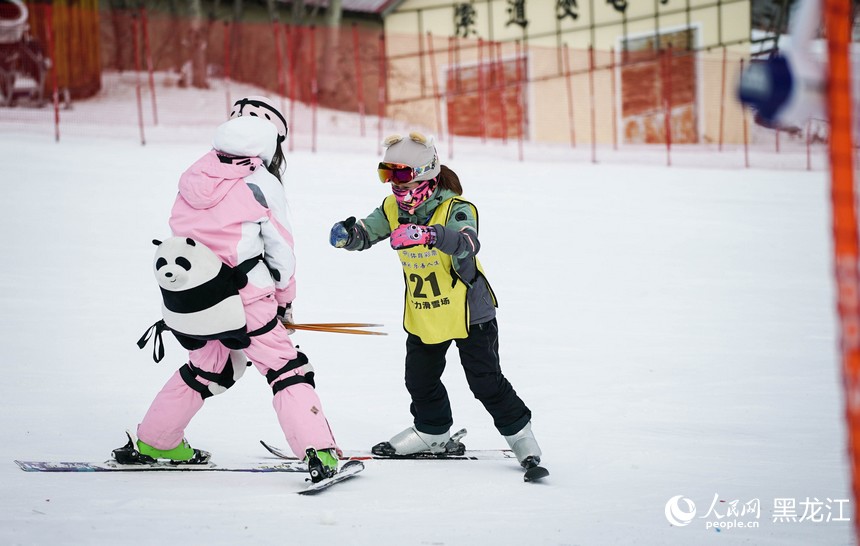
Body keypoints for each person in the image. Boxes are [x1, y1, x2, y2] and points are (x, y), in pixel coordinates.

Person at [118, 96, 340, 482]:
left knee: (207, 368)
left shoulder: (195, 173)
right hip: (246, 299)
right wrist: (285, 304)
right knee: (286, 368)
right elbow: (282, 251)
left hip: (193, 299)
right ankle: (320, 452)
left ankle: (156, 440)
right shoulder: (260, 183)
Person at [327, 132, 545, 474]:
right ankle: (433, 431)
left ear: (426, 173)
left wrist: (429, 235)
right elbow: (368, 232)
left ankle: (521, 436)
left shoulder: (456, 208)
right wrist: (349, 236)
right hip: (426, 312)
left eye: (401, 174)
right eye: (386, 173)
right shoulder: (392, 209)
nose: (393, 183)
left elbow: (467, 243)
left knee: (485, 381)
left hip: (470, 313)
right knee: (420, 379)